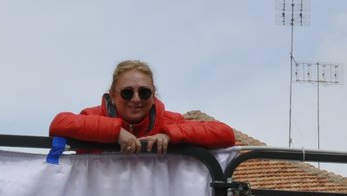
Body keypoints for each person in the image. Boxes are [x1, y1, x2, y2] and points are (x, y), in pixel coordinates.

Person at [49, 59, 235, 153]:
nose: (136, 99)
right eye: (127, 93)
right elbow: (59, 123)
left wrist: (170, 136)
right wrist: (116, 133)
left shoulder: (169, 122)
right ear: (112, 96)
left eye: (144, 92)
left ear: (153, 96)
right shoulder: (93, 116)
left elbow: (225, 133)